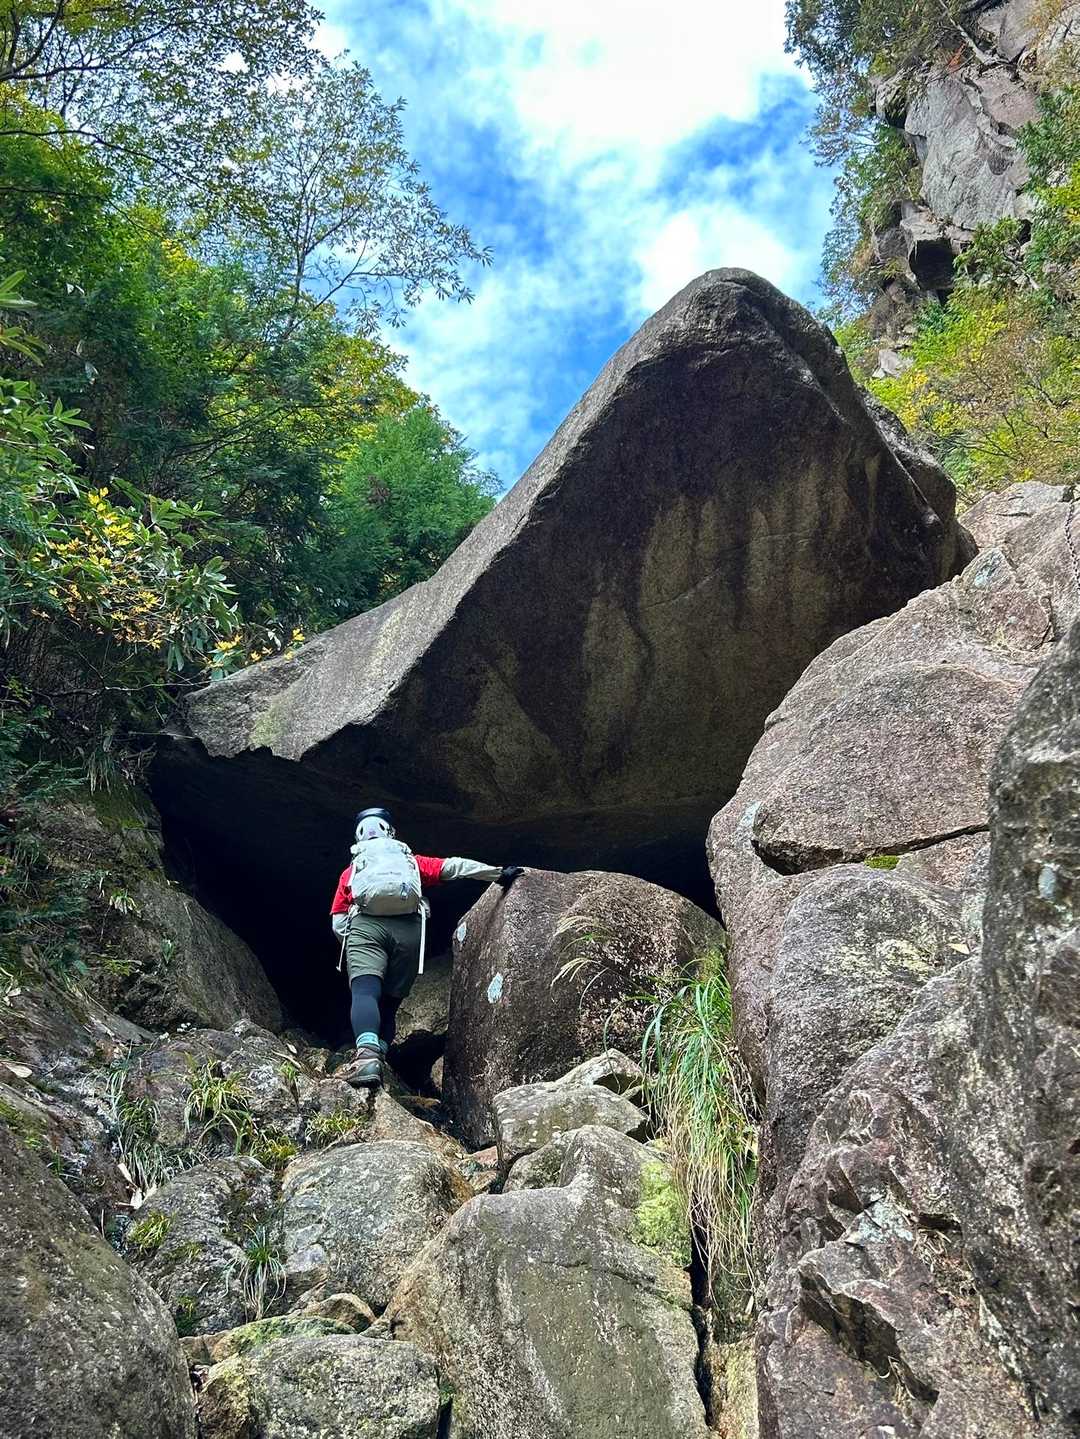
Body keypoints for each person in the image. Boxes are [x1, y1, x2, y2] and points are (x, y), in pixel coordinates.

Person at [330, 807, 524, 1087]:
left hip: (366, 926)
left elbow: (338, 922)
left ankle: (367, 1059)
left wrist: (356, 945)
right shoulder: (411, 862)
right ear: (390, 832)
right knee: (391, 1002)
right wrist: (497, 874)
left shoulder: (352, 871)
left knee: (366, 991)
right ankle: (381, 1055)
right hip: (409, 930)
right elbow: (453, 867)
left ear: (359, 838)